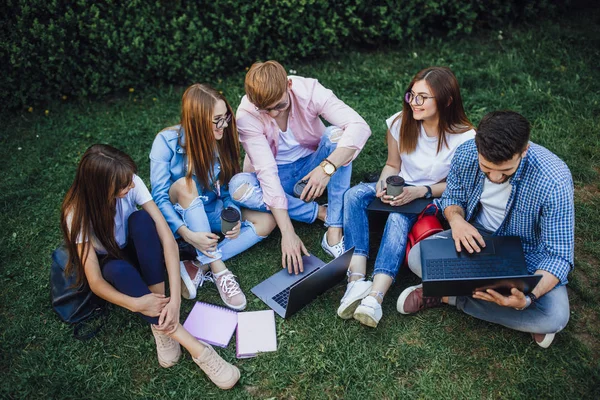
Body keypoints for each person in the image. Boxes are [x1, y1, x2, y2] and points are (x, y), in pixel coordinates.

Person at [60, 144, 240, 389]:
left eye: (129, 180)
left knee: (143, 220)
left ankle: (161, 311)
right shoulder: (76, 214)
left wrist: (174, 300)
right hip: (113, 261)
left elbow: (167, 239)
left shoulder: (130, 181)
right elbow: (95, 282)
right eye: (123, 186)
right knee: (116, 270)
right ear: (101, 188)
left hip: (139, 248)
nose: (131, 185)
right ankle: (196, 348)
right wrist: (136, 304)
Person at [397, 111, 574, 348]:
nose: (495, 177)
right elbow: (452, 198)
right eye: (487, 168)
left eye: (506, 171)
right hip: (475, 236)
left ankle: (448, 296)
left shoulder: (555, 180)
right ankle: (523, 319)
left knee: (555, 316)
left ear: (525, 150)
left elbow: (559, 255)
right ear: (478, 146)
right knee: (418, 257)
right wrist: (457, 221)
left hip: (527, 252)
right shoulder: (466, 152)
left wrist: (528, 298)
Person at [338, 67, 476, 327]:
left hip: (433, 196)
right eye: (411, 95)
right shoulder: (400, 123)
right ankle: (356, 281)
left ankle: (376, 297)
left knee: (399, 216)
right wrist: (382, 186)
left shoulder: (466, 139)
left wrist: (420, 191)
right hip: (400, 185)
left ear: (446, 100)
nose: (414, 102)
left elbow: (458, 187)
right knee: (355, 195)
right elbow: (392, 165)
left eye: (423, 97)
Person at [228, 60, 371, 274]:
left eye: (279, 106)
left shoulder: (309, 90)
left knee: (338, 136)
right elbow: (267, 173)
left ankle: (334, 226)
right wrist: (287, 232)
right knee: (238, 187)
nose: (274, 114)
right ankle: (319, 212)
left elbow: (359, 126)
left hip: (314, 164)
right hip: (279, 176)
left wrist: (326, 168)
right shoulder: (247, 114)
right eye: (266, 110)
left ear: (289, 85)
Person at [150, 84, 276, 309]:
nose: (225, 124)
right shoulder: (165, 142)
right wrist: (186, 233)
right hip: (178, 214)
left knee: (267, 221)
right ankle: (220, 271)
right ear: (197, 120)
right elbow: (159, 198)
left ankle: (200, 263)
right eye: (217, 119)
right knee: (185, 183)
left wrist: (233, 216)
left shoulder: (221, 140)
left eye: (225, 117)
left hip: (209, 210)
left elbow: (227, 190)